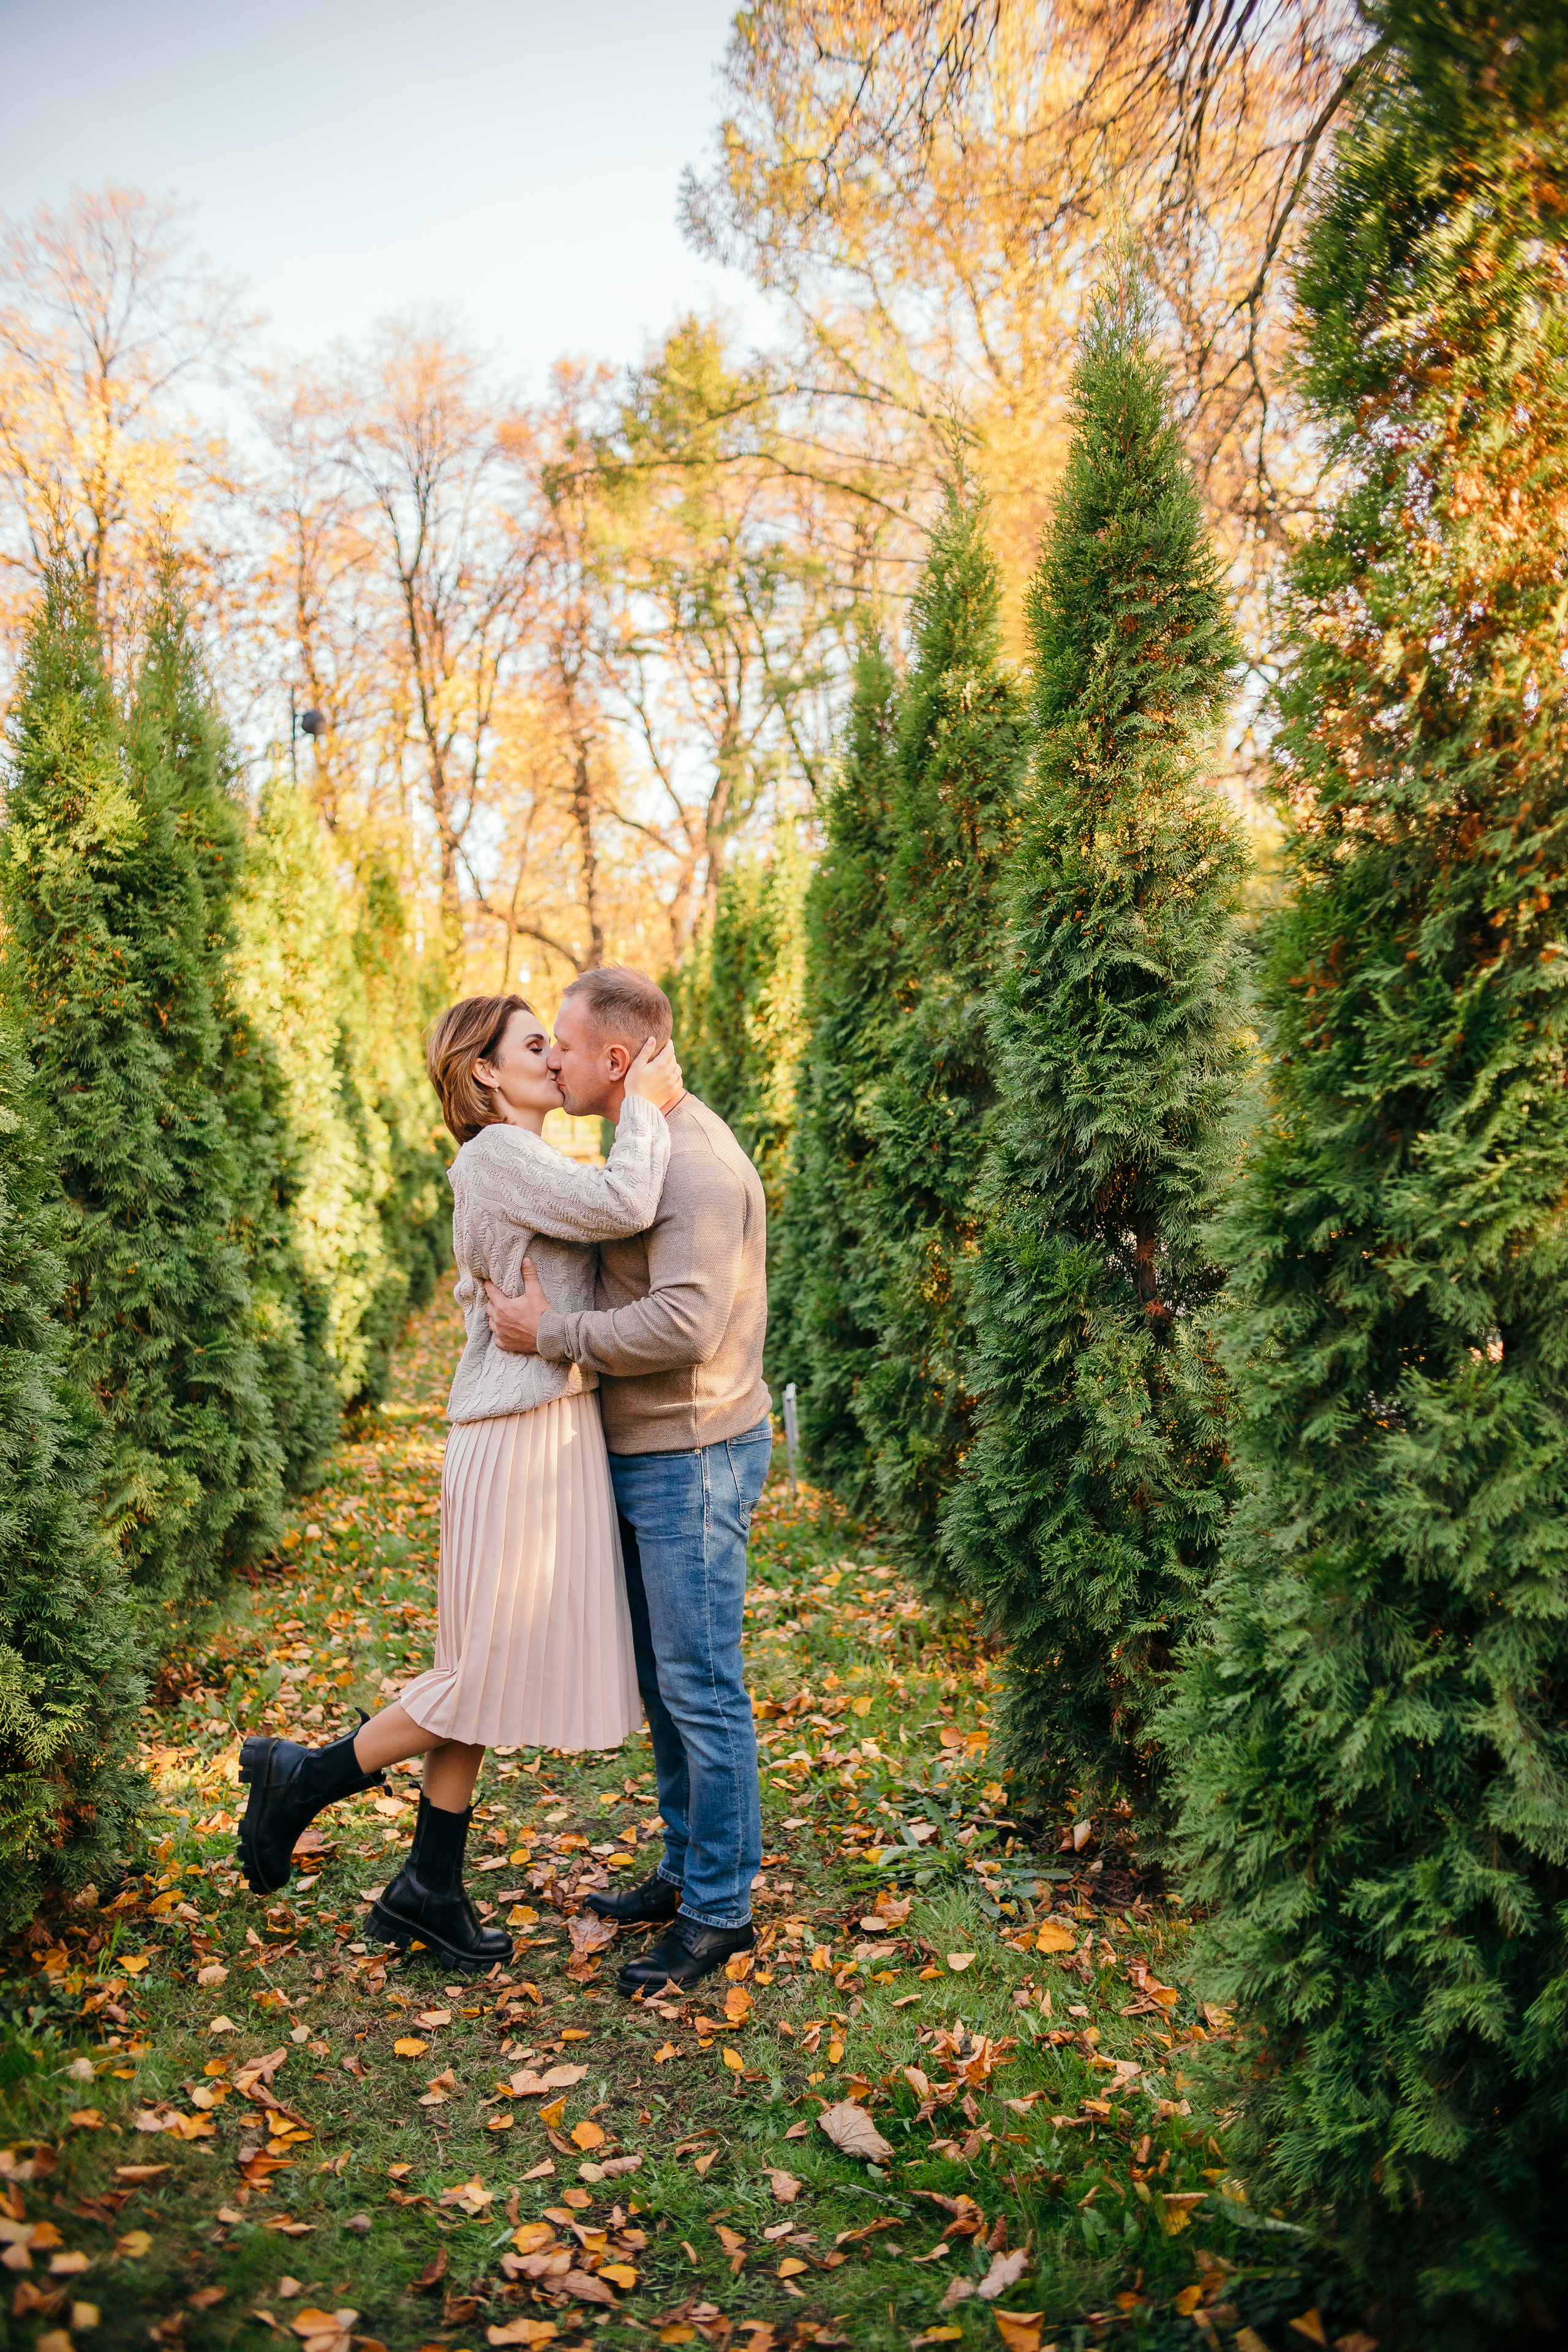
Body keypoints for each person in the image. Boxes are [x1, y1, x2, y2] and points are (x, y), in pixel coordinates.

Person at [234, 990, 684, 1970]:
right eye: (535, 1046)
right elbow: (625, 1203)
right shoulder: (498, 1154)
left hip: (537, 1427)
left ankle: (428, 1887)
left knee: (477, 1670)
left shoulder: (520, 1163)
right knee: (479, 1675)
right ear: (483, 1072)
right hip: (519, 1440)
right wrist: (645, 1101)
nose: (555, 1060)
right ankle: (301, 1779)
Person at [484, 963, 771, 1996]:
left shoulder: (689, 1161)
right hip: (651, 1451)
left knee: (700, 1684)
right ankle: (690, 1870)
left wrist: (550, 1333)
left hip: (692, 1455)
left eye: (561, 1043)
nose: (550, 1057)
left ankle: (720, 1912)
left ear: (618, 1058)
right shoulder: (637, 1143)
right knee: (668, 1681)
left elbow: (687, 1323)